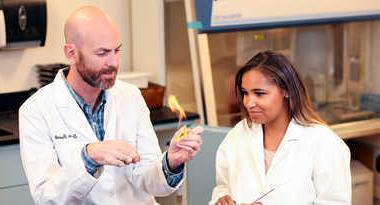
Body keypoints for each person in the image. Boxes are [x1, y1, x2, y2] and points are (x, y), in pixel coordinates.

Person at [19, 6, 203, 205]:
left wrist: (170, 163)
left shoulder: (130, 96)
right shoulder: (36, 111)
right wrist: (89, 157)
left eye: (117, 50)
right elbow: (47, 197)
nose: (113, 62)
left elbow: (147, 178)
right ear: (71, 53)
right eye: (102, 53)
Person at [210, 50, 351, 205]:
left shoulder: (323, 142)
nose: (248, 103)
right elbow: (223, 186)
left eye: (259, 93)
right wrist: (221, 200)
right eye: (245, 93)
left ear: (286, 91)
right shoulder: (239, 134)